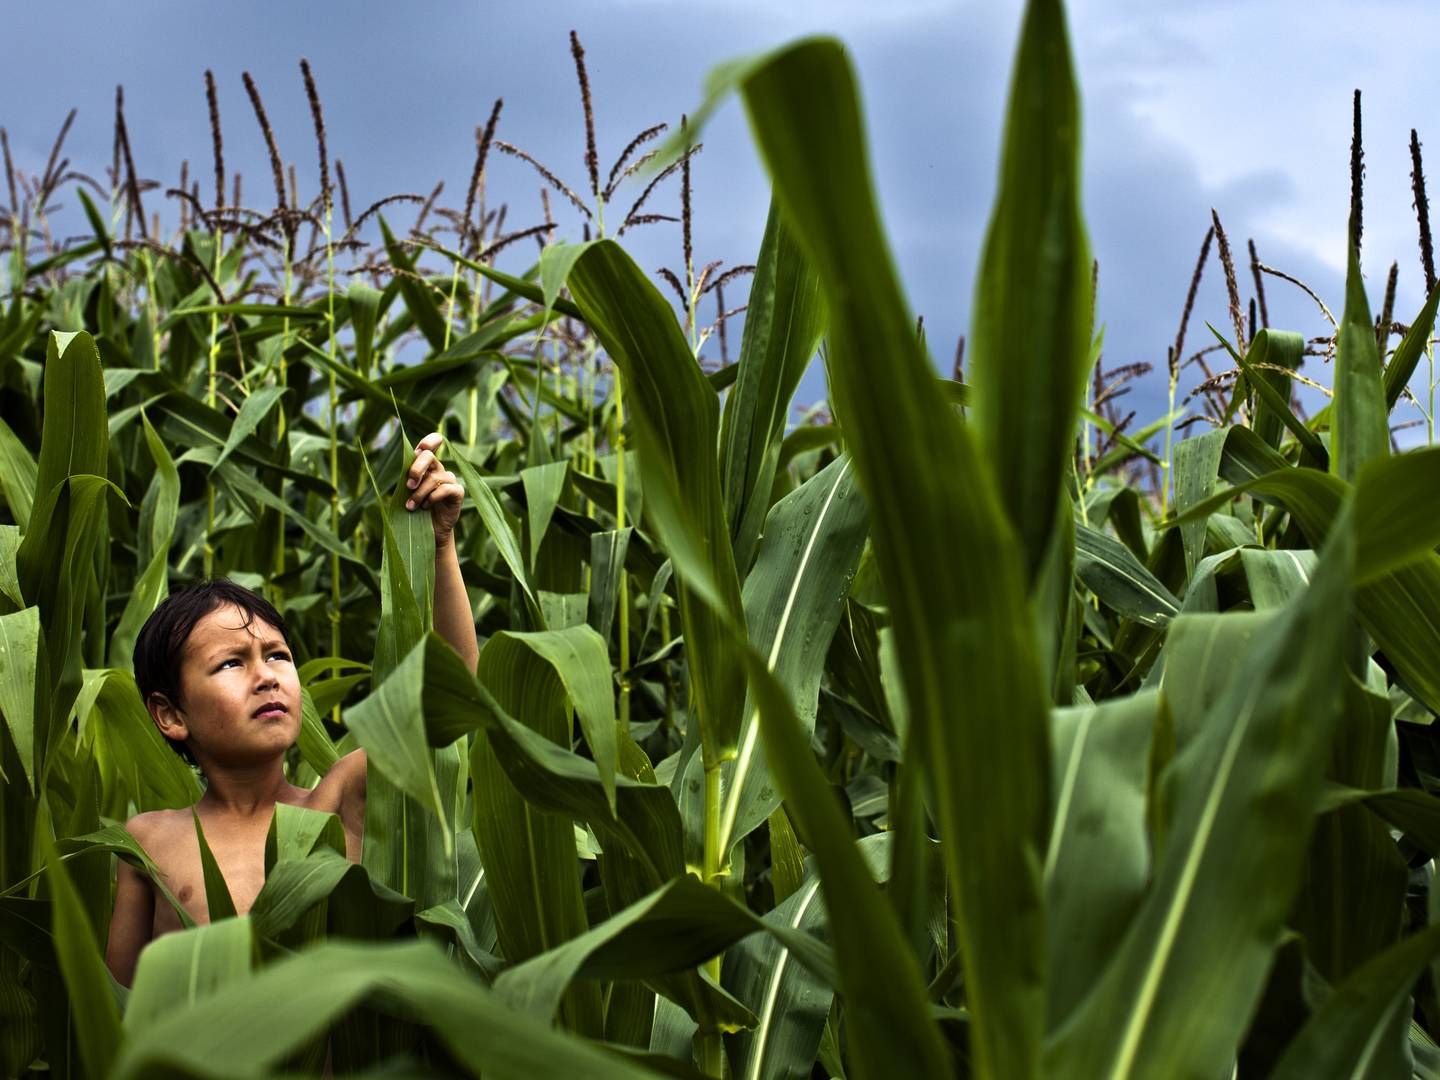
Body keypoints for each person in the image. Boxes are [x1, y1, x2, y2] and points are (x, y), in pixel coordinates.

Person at [104, 432, 478, 986]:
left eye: (278, 655)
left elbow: (449, 689)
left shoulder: (341, 800)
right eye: (231, 664)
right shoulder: (148, 841)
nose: (266, 677)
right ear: (170, 714)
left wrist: (440, 545)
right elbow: (118, 1010)